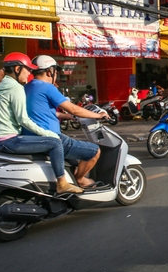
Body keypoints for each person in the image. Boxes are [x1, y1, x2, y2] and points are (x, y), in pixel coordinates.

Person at [0, 53, 82, 194]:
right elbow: (23, 120)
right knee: (55, 142)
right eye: (28, 69)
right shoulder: (15, 88)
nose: (30, 73)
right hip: (6, 139)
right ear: (17, 69)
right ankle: (62, 183)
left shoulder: (1, 85)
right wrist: (49, 134)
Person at [24, 55, 108, 188]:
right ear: (49, 71)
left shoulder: (27, 88)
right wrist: (98, 115)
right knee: (94, 151)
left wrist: (66, 116)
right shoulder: (47, 87)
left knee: (73, 156)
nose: (56, 74)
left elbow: (41, 112)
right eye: (56, 71)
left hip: (30, 137)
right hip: (51, 137)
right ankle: (80, 179)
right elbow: (74, 109)